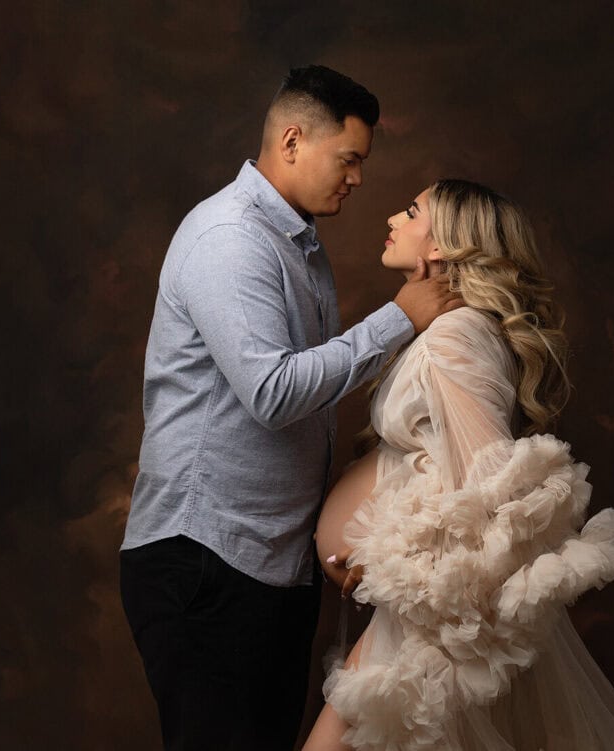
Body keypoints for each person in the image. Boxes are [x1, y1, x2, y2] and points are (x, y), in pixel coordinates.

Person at [119, 66, 461, 751]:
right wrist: (400, 318)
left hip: (272, 567)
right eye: (349, 159)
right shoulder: (229, 238)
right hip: (206, 558)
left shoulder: (297, 244)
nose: (357, 179)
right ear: (294, 140)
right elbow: (273, 393)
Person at [305, 180, 614, 750]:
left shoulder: (455, 335)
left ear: (443, 244)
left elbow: (489, 484)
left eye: (411, 212)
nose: (392, 218)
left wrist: (408, 572)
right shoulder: (450, 328)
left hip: (426, 624)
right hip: (412, 610)